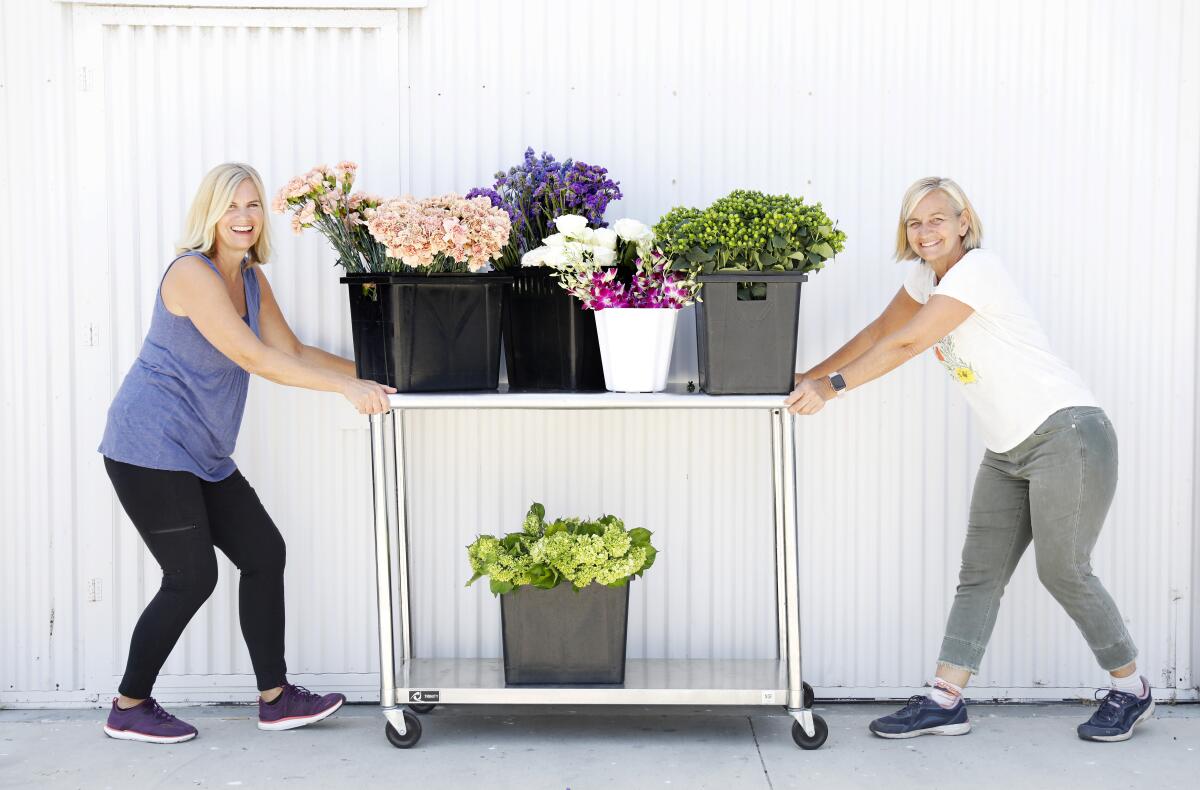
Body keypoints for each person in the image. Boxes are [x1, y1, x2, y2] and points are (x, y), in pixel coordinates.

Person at [785, 177, 1152, 742]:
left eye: (937, 218)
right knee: (978, 575)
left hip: (1067, 432)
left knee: (1063, 569)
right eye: (914, 221)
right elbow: (882, 332)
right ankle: (944, 698)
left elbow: (907, 345)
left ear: (963, 222)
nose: (925, 230)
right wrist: (808, 376)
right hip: (1007, 449)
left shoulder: (977, 271)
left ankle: (1132, 688)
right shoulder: (923, 278)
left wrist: (831, 388)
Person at [98, 162, 396, 743]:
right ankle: (128, 705)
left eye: (253, 205)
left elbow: (292, 349)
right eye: (231, 206)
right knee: (191, 576)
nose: (243, 217)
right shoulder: (191, 274)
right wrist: (346, 390)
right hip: (148, 444)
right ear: (208, 214)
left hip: (203, 451)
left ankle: (276, 697)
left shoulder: (253, 280)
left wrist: (384, 376)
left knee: (264, 553)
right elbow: (256, 359)